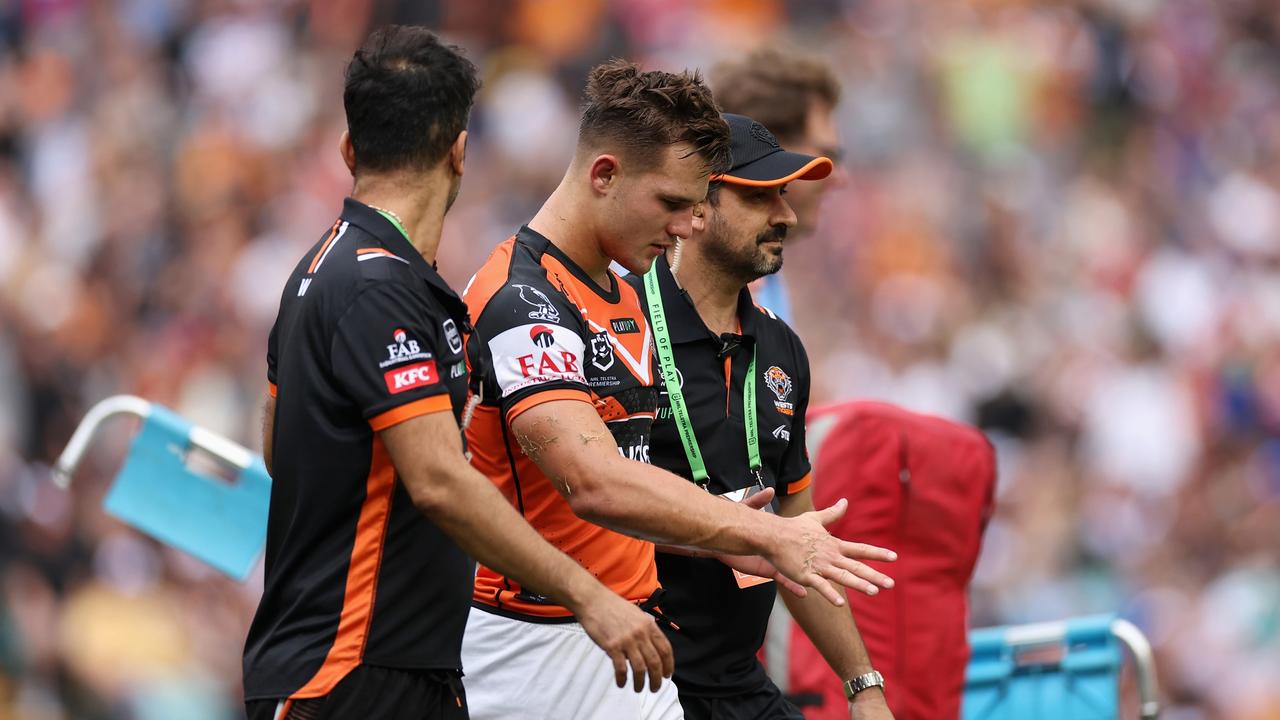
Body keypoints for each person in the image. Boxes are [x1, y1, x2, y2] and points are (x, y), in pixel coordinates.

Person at [242, 27, 672, 720]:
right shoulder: (380, 290)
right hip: (350, 674)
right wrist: (589, 594)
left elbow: (277, 447)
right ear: (460, 151)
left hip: (392, 669)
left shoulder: (321, 270)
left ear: (351, 150)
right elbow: (441, 482)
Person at [459, 59, 896, 720]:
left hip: (632, 647)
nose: (686, 226)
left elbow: (633, 495)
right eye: (673, 204)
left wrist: (862, 683)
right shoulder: (523, 298)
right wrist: (769, 539)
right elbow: (594, 482)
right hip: (538, 650)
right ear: (606, 174)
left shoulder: (624, 298)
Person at [628, 114, 893, 720]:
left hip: (735, 678)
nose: (787, 215)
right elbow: (580, 502)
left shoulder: (783, 350)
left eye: (785, 194)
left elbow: (797, 537)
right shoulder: (623, 323)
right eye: (760, 196)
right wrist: (722, 533)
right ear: (698, 208)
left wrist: (865, 687)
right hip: (631, 676)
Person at [709, 47, 845, 322]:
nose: (840, 179)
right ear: (770, 148)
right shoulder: (674, 277)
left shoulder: (764, 271)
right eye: (827, 156)